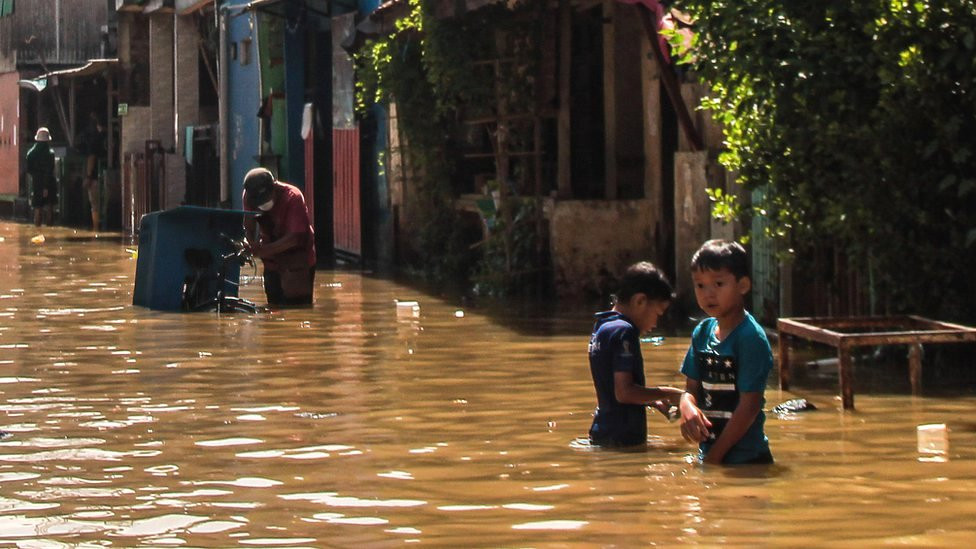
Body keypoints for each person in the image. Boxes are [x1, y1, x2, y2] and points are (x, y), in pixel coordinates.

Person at [677, 239, 774, 465]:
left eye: (718, 284)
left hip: (748, 461)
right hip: (711, 454)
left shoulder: (751, 338)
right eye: (700, 285)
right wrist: (687, 406)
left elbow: (749, 406)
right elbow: (690, 389)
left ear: (743, 286)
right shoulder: (702, 332)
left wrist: (713, 460)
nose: (708, 294)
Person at [588, 261, 686, 447]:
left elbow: (613, 389)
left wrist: (653, 401)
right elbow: (624, 393)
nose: (656, 323)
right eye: (658, 313)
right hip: (622, 439)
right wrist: (670, 393)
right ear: (640, 301)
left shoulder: (602, 326)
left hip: (603, 432)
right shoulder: (625, 331)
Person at [241, 167, 316, 306]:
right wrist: (250, 242)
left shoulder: (293, 197)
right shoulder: (249, 196)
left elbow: (294, 238)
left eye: (266, 199)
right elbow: (248, 225)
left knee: (298, 308)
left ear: (274, 187)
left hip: (296, 261)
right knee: (273, 307)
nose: (263, 204)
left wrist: (263, 251)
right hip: (271, 262)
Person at [26, 127, 57, 227]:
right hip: (49, 183)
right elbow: (50, 170)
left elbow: (29, 169)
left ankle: (37, 230)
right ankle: (49, 230)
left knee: (37, 207)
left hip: (37, 182)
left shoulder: (31, 154)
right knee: (49, 207)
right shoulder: (50, 154)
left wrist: (36, 176)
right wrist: (46, 187)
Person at [81, 113, 107, 232]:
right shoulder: (111, 136)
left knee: (95, 205)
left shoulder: (94, 139)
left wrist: (88, 176)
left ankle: (96, 228)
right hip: (109, 175)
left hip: (96, 178)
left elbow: (91, 158)